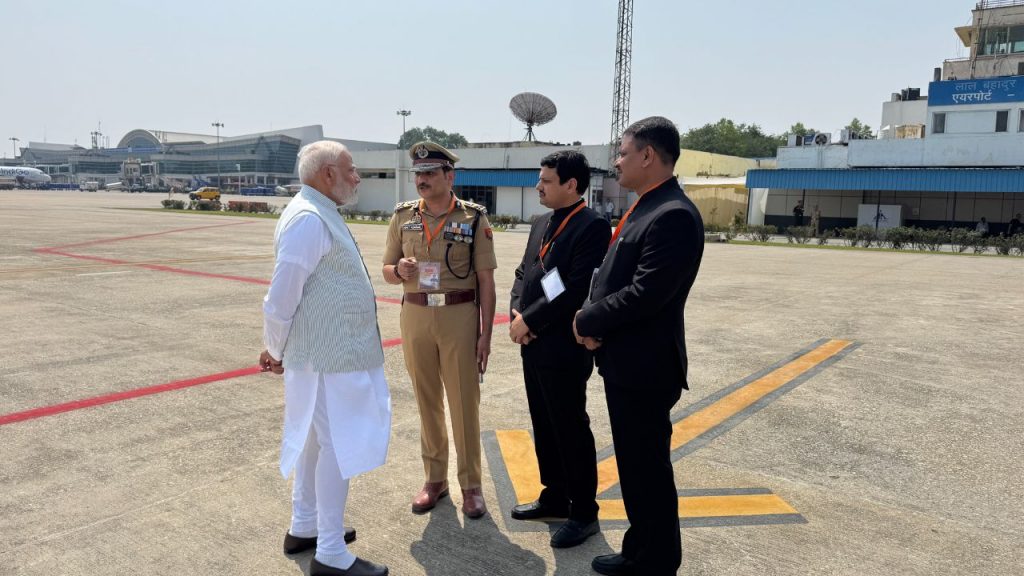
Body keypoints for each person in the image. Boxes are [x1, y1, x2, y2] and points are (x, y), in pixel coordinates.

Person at [573, 116, 704, 576]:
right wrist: (594, 320)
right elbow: (609, 278)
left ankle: (656, 560)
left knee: (647, 468)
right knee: (634, 465)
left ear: (648, 156)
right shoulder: (647, 207)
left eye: (624, 152)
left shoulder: (673, 215)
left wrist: (587, 319)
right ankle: (639, 549)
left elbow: (646, 293)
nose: (617, 161)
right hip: (626, 360)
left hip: (647, 367)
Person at [260, 141, 390, 576]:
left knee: (316, 441)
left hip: (329, 355)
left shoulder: (319, 212)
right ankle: (331, 552)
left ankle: (305, 525)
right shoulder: (308, 219)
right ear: (327, 173)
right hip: (329, 357)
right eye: (351, 170)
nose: (357, 177)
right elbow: (281, 298)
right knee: (339, 443)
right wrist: (275, 349)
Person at [382, 141, 497, 519]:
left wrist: (485, 335)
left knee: (464, 402)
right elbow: (386, 270)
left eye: (430, 173)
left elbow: (486, 282)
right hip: (415, 317)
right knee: (426, 401)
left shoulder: (473, 218)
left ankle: (471, 485)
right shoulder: (402, 217)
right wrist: (398, 271)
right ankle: (435, 480)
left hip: (458, 316)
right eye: (418, 174)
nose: (422, 180)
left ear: (450, 176)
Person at [508, 151, 610, 548]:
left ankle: (584, 512)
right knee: (544, 424)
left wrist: (530, 321)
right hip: (533, 344)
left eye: (546, 180)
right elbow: (523, 272)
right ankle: (554, 496)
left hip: (563, 347)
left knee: (570, 428)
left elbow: (574, 287)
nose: (538, 186)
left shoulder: (592, 226)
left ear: (571, 184)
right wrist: (517, 312)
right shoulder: (541, 222)